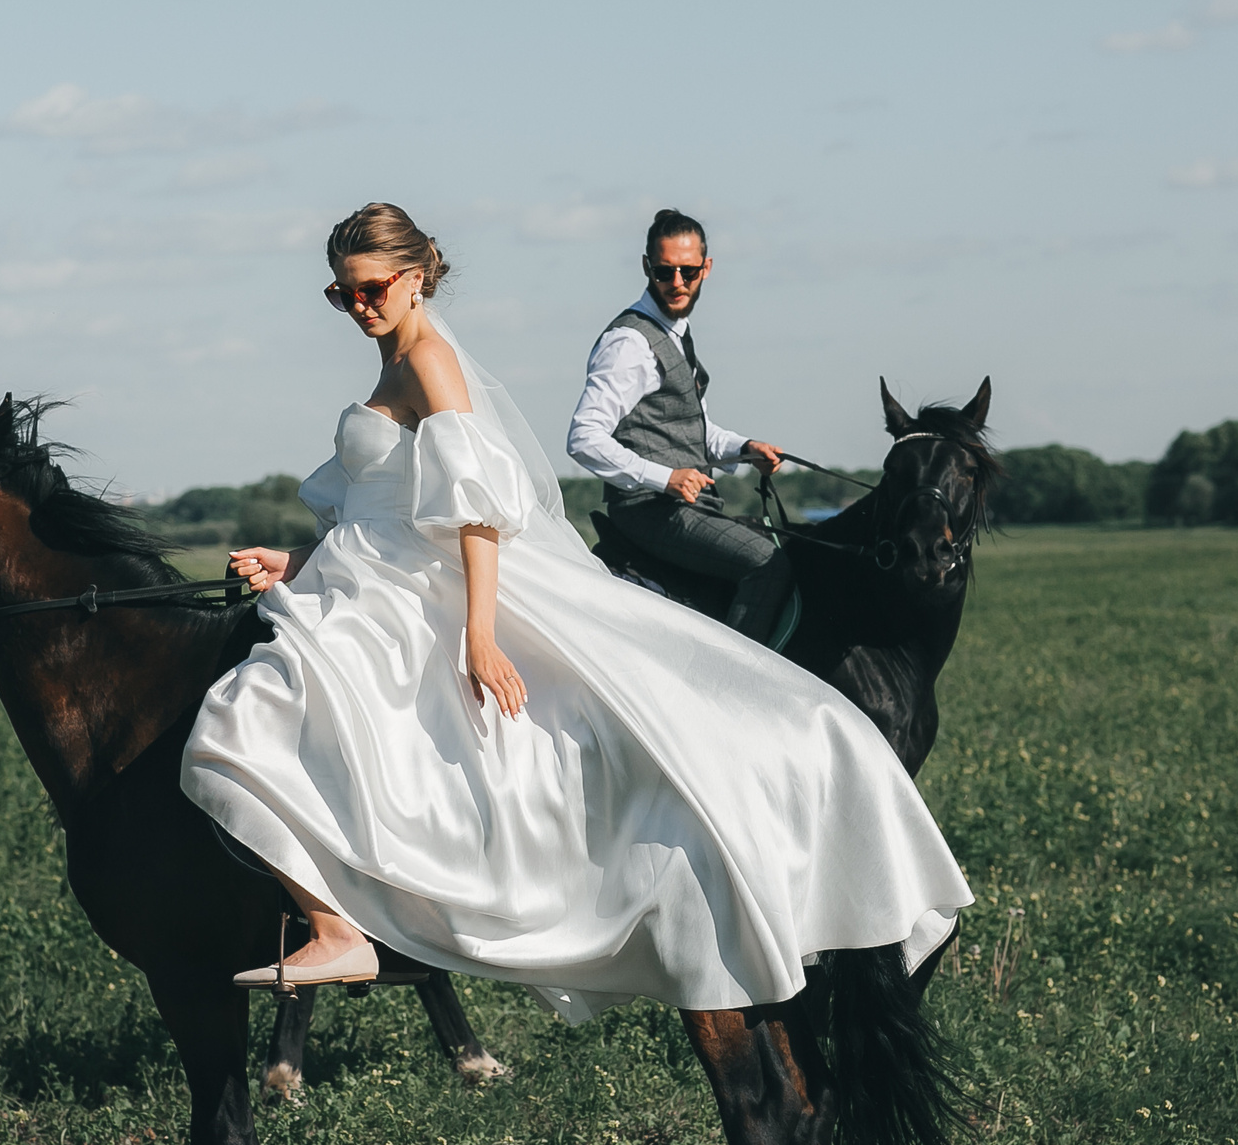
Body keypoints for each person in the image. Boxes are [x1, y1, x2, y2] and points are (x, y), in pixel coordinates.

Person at [182, 202, 972, 1001]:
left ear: (415, 278)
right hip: (408, 561)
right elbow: (394, 506)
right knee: (254, 715)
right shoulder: (411, 363)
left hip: (417, 586)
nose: (358, 306)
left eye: (371, 288)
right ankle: (340, 922)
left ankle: (340, 926)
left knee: (246, 715)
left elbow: (478, 504)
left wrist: (480, 634)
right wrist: (299, 558)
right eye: (341, 294)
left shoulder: (429, 363)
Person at [566, 209, 794, 643]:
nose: (676, 282)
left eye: (688, 271)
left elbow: (697, 431)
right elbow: (583, 438)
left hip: (686, 506)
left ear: (706, 268)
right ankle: (738, 687)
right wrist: (664, 478)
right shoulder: (629, 343)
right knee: (768, 564)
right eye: (664, 271)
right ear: (646, 267)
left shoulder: (675, 332)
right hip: (649, 513)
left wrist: (747, 448)